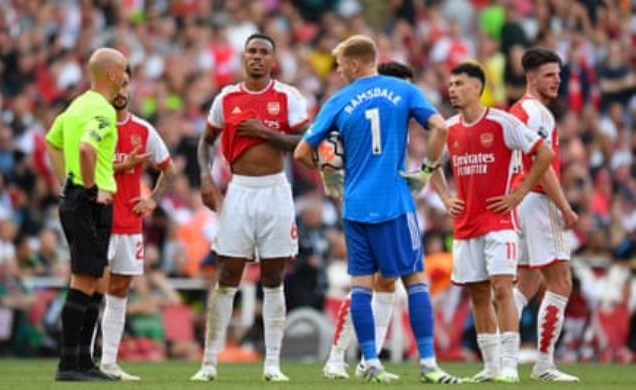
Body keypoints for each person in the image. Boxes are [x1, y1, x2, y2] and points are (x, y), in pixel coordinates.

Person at [294, 36, 459, 384]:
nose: (338, 73)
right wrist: (427, 172)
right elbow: (441, 127)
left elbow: (300, 153)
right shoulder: (402, 90)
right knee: (414, 281)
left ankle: (370, 360)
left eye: (340, 66)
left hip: (355, 206)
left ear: (355, 64)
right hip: (393, 202)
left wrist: (329, 174)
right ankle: (428, 364)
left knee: (360, 287)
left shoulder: (337, 100)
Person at [190, 33, 309, 382]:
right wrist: (205, 177)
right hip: (238, 191)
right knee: (227, 275)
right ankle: (209, 362)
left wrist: (266, 133)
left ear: (273, 60)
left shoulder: (288, 97)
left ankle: (272, 363)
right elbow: (206, 141)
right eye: (251, 51)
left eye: (264, 52)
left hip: (275, 191)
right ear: (244, 58)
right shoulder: (226, 98)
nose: (257, 57)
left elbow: (306, 141)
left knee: (274, 277)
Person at [430, 62, 554, 383]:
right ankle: (491, 366)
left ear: (476, 88)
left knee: (502, 288)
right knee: (478, 294)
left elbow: (544, 154)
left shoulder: (503, 122)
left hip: (500, 222)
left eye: (459, 83)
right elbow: (429, 165)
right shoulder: (448, 127)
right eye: (450, 84)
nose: (452, 89)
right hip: (466, 226)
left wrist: (520, 193)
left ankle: (510, 364)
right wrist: (445, 198)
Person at [45, 47, 127, 381]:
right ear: (112, 75)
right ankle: (69, 364)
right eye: (123, 72)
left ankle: (83, 360)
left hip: (76, 198)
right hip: (91, 201)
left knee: (96, 278)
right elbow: (86, 148)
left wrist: (65, 182)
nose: (125, 78)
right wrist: (89, 189)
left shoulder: (76, 105)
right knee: (83, 278)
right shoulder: (103, 111)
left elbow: (52, 143)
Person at [97, 65, 175, 380]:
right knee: (91, 290)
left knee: (119, 290)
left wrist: (152, 199)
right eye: (115, 85)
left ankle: (109, 362)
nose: (121, 91)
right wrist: (122, 166)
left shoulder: (143, 130)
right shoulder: (96, 127)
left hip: (130, 224)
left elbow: (168, 169)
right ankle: (83, 360)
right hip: (98, 222)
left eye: (126, 85)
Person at [509, 48, 579, 382]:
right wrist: (564, 207)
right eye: (550, 75)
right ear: (531, 77)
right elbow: (543, 164)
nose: (557, 81)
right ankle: (544, 364)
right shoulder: (538, 113)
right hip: (537, 200)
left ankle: (501, 359)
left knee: (524, 284)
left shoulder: (516, 111)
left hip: (519, 203)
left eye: (559, 75)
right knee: (561, 281)